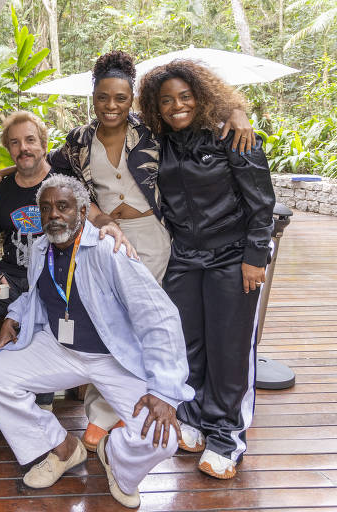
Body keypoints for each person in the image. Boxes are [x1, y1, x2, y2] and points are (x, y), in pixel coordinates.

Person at [0, 52, 256, 453]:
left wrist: (236, 112)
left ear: (132, 99)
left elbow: (193, 110)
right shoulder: (78, 141)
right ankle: (103, 416)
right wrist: (9, 171)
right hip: (105, 238)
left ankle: (160, 406)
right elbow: (44, 166)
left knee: (147, 322)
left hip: (153, 236)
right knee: (105, 318)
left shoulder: (151, 129)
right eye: (102, 98)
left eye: (120, 98)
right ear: (92, 97)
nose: (111, 106)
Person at [0, 175, 194, 508]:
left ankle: (115, 457)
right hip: (59, 349)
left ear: (81, 210)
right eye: (45, 208)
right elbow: (36, 293)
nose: (53, 216)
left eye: (62, 206)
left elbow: (160, 318)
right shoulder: (40, 248)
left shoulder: (110, 249)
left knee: (161, 440)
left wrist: (164, 390)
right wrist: (14, 317)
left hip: (112, 356)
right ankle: (64, 448)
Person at [138, 60, 275, 480]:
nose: (177, 106)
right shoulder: (158, 141)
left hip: (231, 257)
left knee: (229, 349)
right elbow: (101, 129)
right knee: (189, 345)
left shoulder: (233, 135)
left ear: (201, 96)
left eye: (184, 96)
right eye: (166, 101)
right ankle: (195, 418)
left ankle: (226, 436)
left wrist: (254, 256)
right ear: (155, 108)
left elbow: (261, 203)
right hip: (185, 257)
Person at [0, 111, 133, 420]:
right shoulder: (1, 188)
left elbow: (93, 214)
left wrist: (111, 227)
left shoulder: (61, 183)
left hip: (52, 277)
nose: (23, 148)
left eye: (30, 140)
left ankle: (41, 398)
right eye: (15, 143)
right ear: (8, 149)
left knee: (49, 315)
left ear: (43, 144)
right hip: (11, 277)